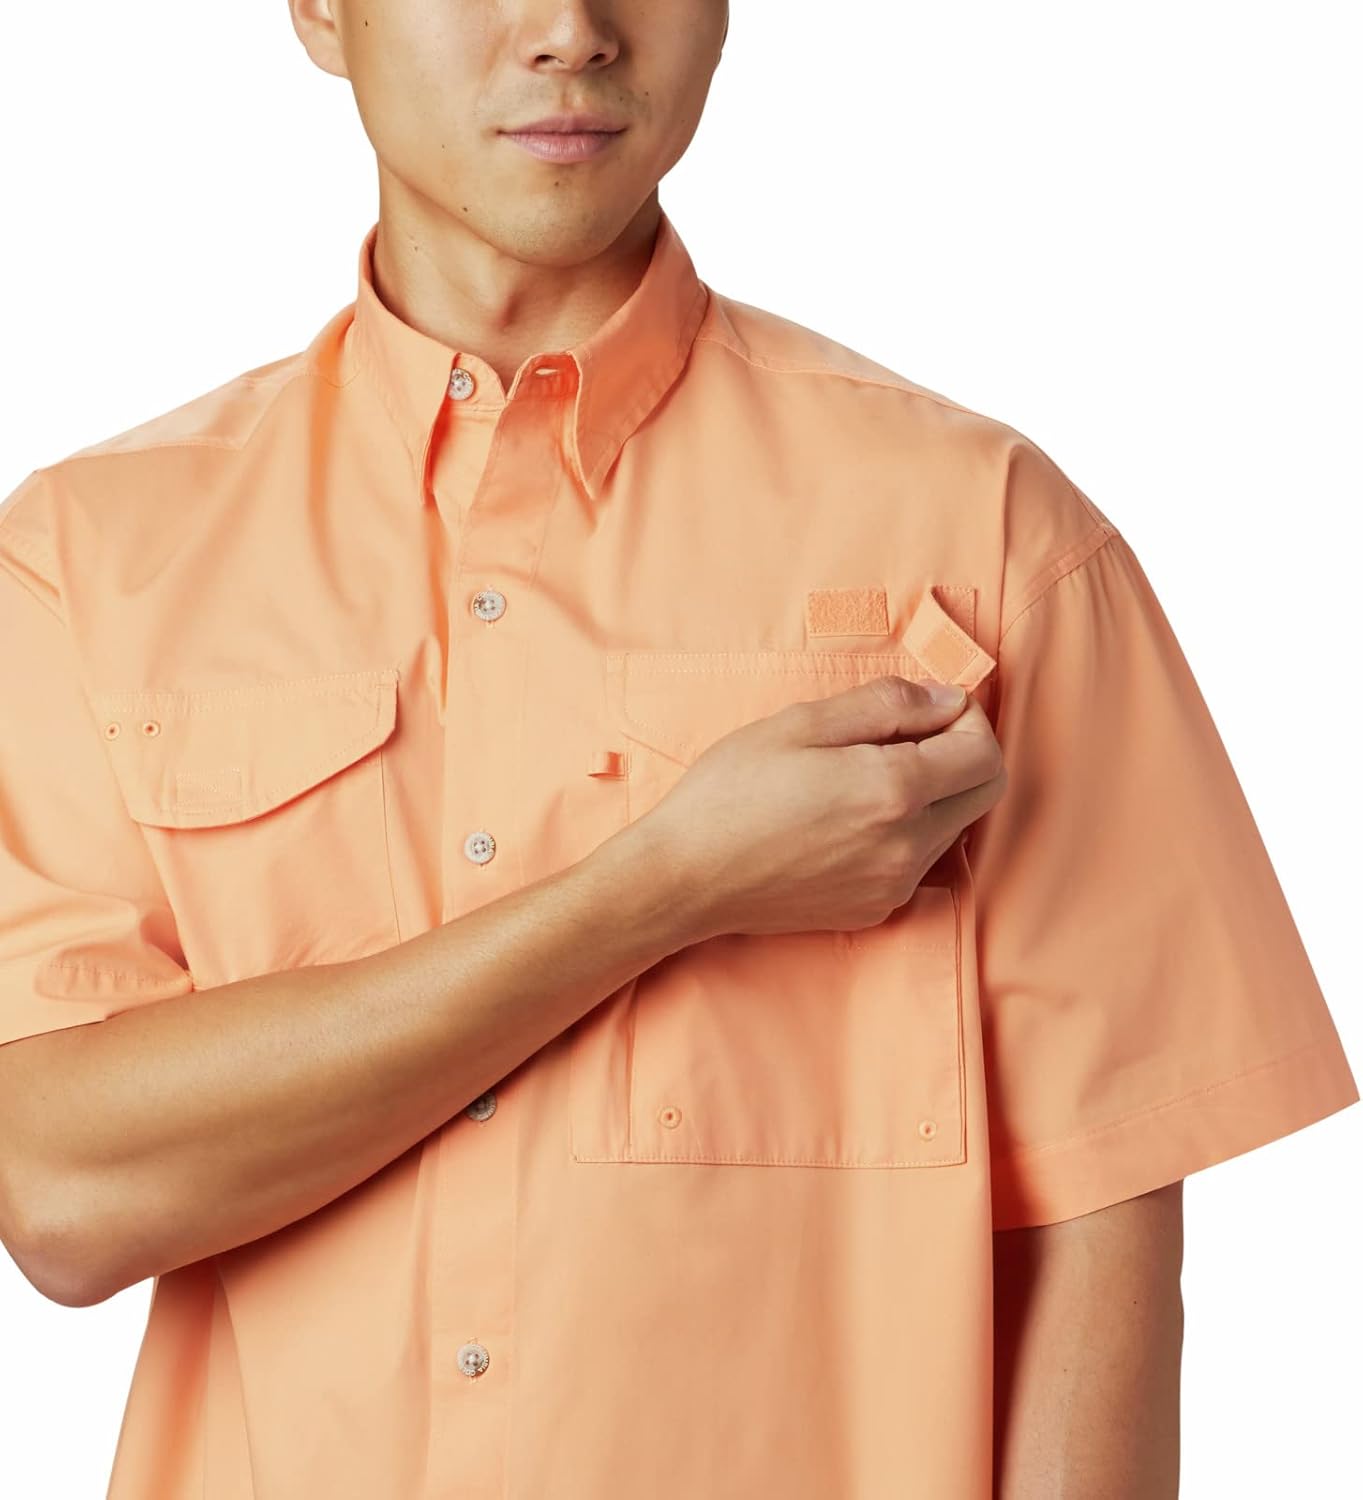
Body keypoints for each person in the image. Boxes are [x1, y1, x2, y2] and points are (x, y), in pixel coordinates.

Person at [0, 3, 1355, 1497]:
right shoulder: (88, 563)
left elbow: (1102, 1229)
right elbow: (61, 1196)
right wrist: (665, 888)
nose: (572, 32)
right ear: (323, 11)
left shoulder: (986, 537)